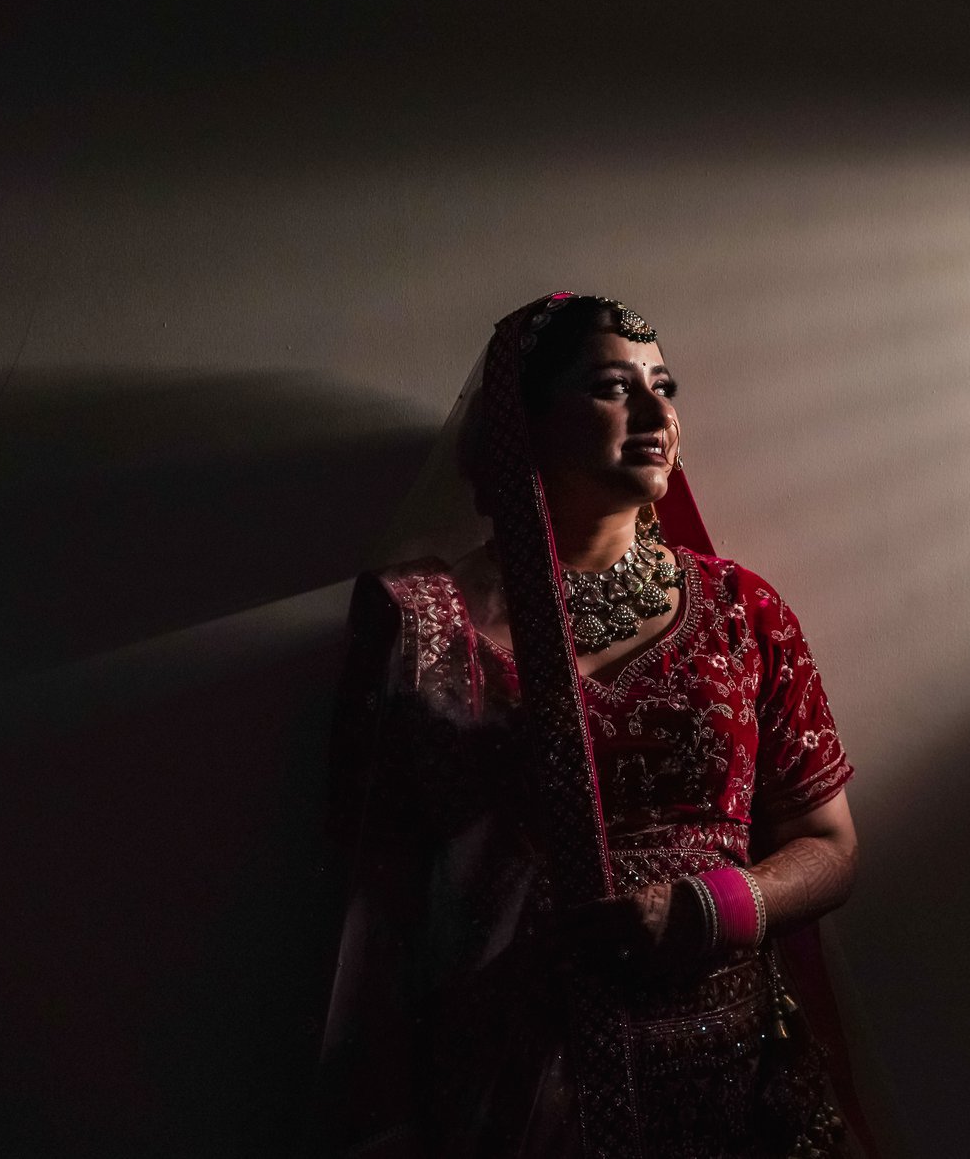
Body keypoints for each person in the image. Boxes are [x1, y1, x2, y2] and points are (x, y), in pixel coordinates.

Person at [318, 293, 865, 1158]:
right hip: (513, 1091)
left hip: (738, 1092)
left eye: (665, 387)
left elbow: (828, 846)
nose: (657, 414)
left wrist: (710, 908)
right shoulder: (420, 625)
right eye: (614, 388)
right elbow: (372, 899)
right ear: (521, 422)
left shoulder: (739, 612)